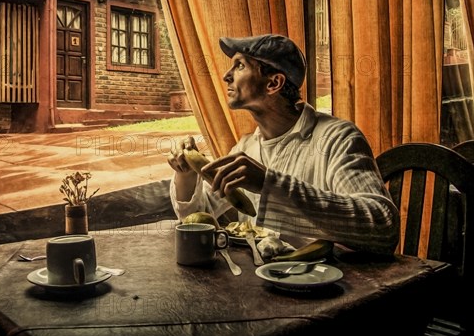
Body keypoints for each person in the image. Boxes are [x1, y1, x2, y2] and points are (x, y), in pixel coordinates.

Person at [168, 34, 399, 254]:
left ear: (274, 83)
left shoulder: (338, 138)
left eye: (240, 66)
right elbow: (199, 219)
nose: (226, 76)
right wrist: (186, 174)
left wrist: (270, 184)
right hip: (259, 285)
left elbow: (382, 226)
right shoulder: (246, 148)